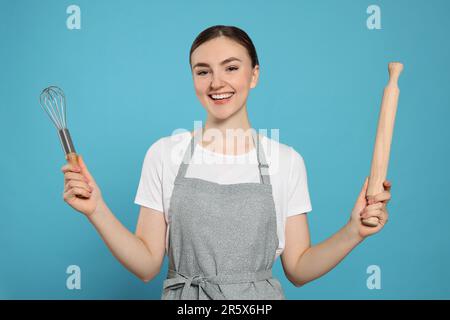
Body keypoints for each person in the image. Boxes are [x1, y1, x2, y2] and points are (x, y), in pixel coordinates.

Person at [61, 25, 392, 300]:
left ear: (254, 75)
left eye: (231, 68)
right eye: (203, 71)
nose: (216, 83)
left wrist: (354, 231)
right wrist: (97, 210)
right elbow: (147, 265)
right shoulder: (164, 154)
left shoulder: (286, 161)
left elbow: (299, 268)